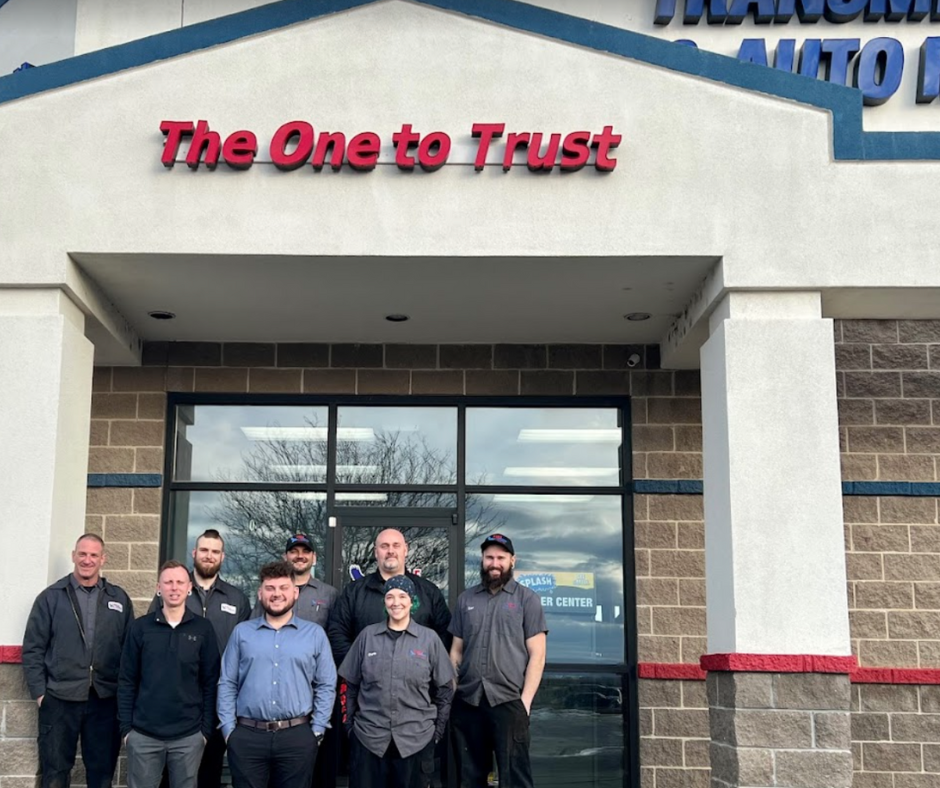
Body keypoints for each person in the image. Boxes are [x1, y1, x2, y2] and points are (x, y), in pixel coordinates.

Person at [22, 533, 134, 788]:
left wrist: (123, 694)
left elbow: (130, 650)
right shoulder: (51, 597)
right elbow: (33, 649)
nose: (87, 560)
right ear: (74, 556)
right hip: (60, 698)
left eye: (94, 555)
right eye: (82, 554)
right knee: (55, 775)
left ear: (103, 559)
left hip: (104, 699)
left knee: (101, 774)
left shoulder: (119, 599)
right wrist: (41, 693)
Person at [146, 529, 251, 788]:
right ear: (194, 553)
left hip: (219, 698)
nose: (208, 556)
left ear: (222, 557)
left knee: (209, 771)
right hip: (175, 699)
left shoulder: (236, 599)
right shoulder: (174, 592)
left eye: (215, 552)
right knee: (170, 774)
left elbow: (246, 650)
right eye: (204, 550)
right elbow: (152, 637)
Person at [218, 560, 337, 788]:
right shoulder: (242, 633)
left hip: (297, 736)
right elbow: (227, 683)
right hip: (247, 736)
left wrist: (317, 731)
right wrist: (228, 732)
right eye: (270, 588)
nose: (276, 594)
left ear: (295, 593)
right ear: (260, 593)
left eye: (283, 588)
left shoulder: (314, 634)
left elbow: (326, 684)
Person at [449, 535, 548, 788]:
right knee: (468, 778)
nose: (495, 563)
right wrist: (452, 692)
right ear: (482, 560)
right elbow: (456, 651)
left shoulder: (528, 600)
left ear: (512, 561)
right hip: (469, 701)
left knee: (514, 779)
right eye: (489, 557)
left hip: (508, 701)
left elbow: (538, 655)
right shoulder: (466, 600)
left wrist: (524, 703)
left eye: (501, 558)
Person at [339, 575, 455, 788]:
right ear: (384, 601)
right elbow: (349, 685)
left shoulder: (429, 640)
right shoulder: (367, 637)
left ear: (412, 601)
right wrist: (350, 728)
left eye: (402, 596)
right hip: (369, 741)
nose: (396, 602)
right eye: (390, 596)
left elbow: (445, 689)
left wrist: (436, 732)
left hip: (416, 742)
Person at [118, 560, 220, 788]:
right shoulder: (140, 628)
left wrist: (204, 732)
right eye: (168, 582)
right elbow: (127, 681)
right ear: (158, 588)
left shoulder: (203, 629)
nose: (174, 588)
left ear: (189, 587)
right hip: (144, 735)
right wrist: (127, 730)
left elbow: (210, 682)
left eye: (179, 582)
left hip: (189, 736)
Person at [328, 528, 450, 666]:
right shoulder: (354, 592)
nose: (390, 551)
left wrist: (425, 670)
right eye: (384, 546)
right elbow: (337, 634)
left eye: (396, 545)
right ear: (376, 552)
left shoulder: (428, 591)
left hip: (418, 683)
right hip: (366, 684)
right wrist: (359, 669)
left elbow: (444, 637)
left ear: (405, 550)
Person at [251, 533, 337, 628]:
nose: (300, 556)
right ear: (285, 557)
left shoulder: (329, 593)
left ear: (314, 557)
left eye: (306, 551)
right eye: (294, 551)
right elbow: (254, 627)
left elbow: (335, 633)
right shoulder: (269, 592)